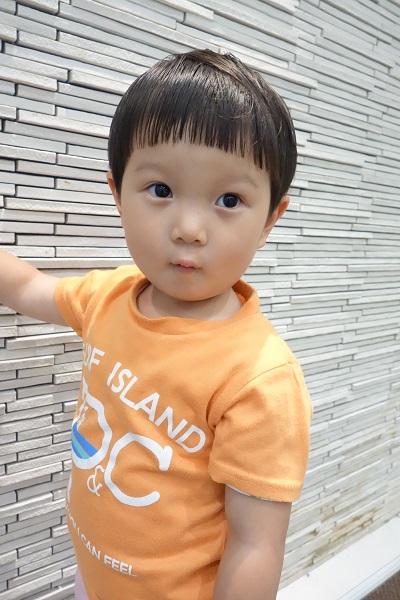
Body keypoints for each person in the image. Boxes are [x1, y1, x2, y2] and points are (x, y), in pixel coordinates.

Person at [0, 49, 312, 600]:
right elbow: (27, 288)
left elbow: (255, 546)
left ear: (270, 220)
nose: (189, 228)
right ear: (118, 194)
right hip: (91, 576)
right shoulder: (108, 296)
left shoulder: (260, 380)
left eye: (229, 199)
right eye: (161, 191)